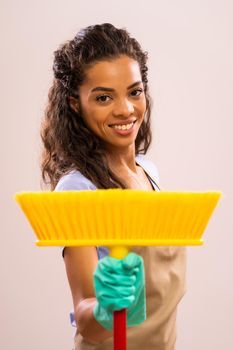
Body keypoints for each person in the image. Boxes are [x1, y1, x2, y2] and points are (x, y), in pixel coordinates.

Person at [40, 23, 187, 350]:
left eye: (134, 91)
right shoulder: (78, 191)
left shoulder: (149, 172)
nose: (125, 109)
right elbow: (85, 311)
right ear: (75, 103)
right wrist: (105, 309)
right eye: (104, 97)